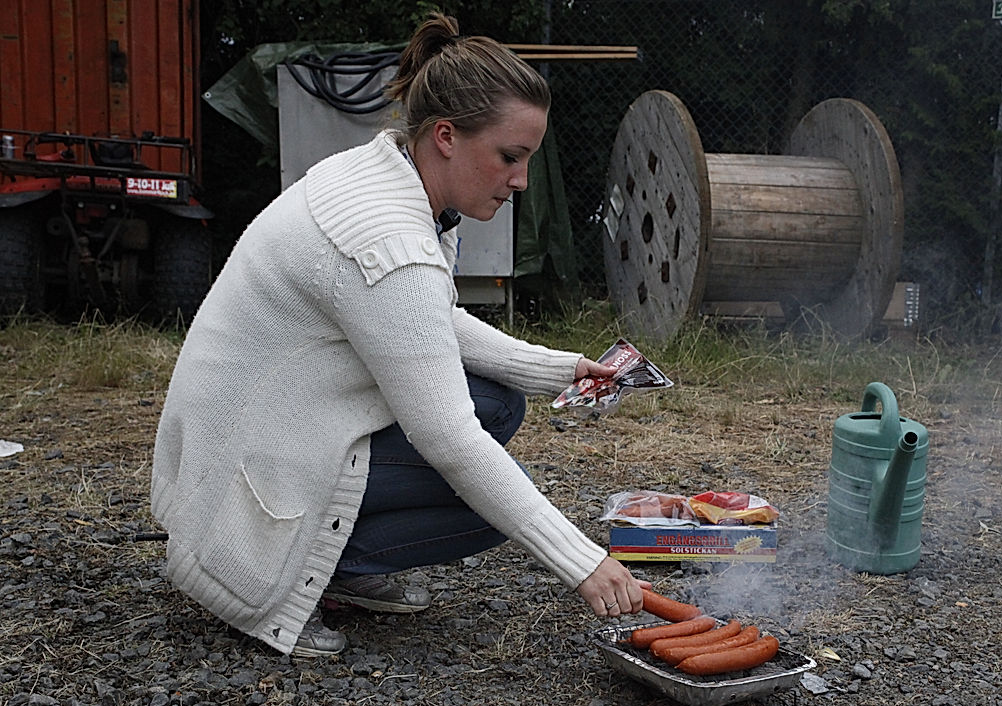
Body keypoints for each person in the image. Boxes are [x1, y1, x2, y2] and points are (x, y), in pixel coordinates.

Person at [150, 13, 648, 657]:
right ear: (446, 135)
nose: (520, 180)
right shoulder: (391, 238)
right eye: (509, 156)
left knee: (502, 402)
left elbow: (425, 321)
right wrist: (581, 560)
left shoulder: (385, 176)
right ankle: (299, 570)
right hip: (250, 472)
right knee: (484, 499)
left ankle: (344, 565)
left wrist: (562, 368)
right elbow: (448, 438)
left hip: (252, 432)